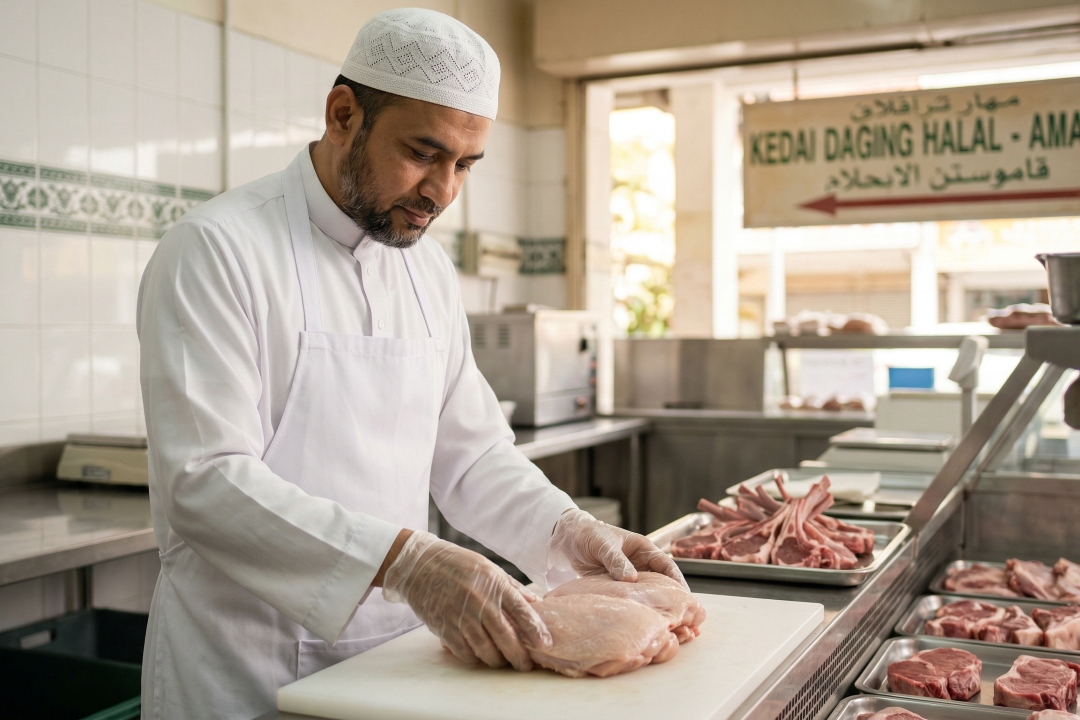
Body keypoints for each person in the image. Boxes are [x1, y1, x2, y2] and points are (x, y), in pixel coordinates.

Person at [137, 8, 684, 719]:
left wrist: (567, 531)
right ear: (343, 115)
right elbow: (203, 481)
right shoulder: (218, 249)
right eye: (423, 153)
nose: (443, 191)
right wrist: (404, 562)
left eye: (464, 164)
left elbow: (471, 456)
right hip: (243, 672)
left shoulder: (425, 272)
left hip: (396, 669)